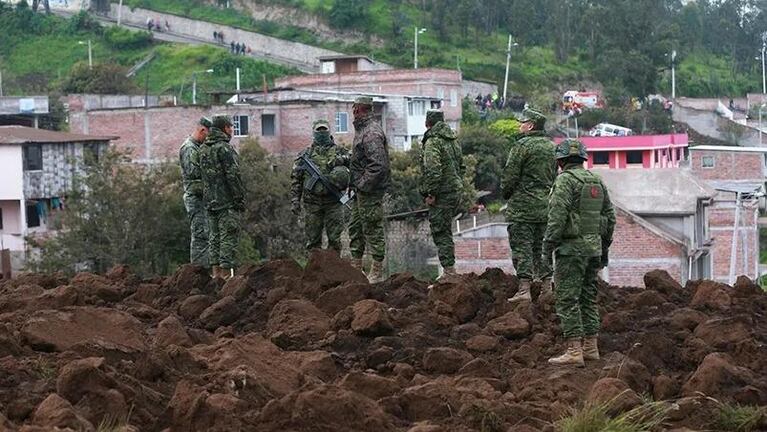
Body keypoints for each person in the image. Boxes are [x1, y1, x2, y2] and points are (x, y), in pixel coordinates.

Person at [543, 138, 615, 367]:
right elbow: (610, 219)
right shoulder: (597, 181)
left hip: (571, 251)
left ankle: (574, 350)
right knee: (587, 298)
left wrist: (548, 247)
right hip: (593, 250)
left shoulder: (565, 182)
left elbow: (557, 217)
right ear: (582, 159)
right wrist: (603, 249)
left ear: (561, 161)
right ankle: (591, 347)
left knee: (567, 299)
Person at [503, 108, 557, 304]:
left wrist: (507, 194)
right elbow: (553, 177)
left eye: (522, 122)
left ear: (531, 125)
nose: (520, 125)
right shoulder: (552, 147)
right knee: (542, 249)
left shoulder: (521, 146)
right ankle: (546, 287)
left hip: (522, 208)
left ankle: (524, 289)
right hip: (544, 207)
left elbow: (510, 178)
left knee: (522, 248)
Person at [290, 120, 350, 253]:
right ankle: (314, 270)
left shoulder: (340, 151)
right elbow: (296, 179)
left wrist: (343, 161)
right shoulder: (305, 155)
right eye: (319, 130)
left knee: (335, 241)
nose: (322, 133)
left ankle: (333, 269)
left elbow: (354, 166)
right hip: (312, 203)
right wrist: (295, 201)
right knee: (313, 242)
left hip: (334, 202)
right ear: (313, 132)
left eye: (324, 130)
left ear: (329, 132)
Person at [349, 96, 391, 283]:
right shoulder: (363, 130)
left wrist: (362, 184)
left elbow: (378, 165)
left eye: (354, 109)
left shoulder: (371, 132)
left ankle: (377, 272)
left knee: (373, 228)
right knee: (356, 227)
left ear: (359, 110)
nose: (353, 113)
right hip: (362, 190)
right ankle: (356, 268)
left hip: (370, 191)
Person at [199, 115, 245, 280]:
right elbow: (233, 176)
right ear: (224, 128)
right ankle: (226, 277)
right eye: (230, 127)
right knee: (228, 237)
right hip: (226, 202)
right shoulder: (224, 148)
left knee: (214, 238)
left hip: (210, 202)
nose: (232, 130)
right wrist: (239, 198)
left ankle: (215, 275)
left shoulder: (203, 148)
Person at [420, 110, 464, 279]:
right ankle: (449, 270)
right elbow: (461, 166)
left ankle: (449, 272)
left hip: (442, 194)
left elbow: (433, 170)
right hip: (454, 191)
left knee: (441, 231)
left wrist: (431, 193)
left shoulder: (433, 142)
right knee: (446, 230)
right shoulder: (453, 141)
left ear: (427, 124)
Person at [179, 117, 212, 268]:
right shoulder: (189, 148)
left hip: (201, 198)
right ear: (202, 130)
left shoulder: (197, 147)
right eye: (208, 135)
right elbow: (194, 174)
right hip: (195, 198)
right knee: (200, 235)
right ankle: (198, 271)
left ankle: (205, 269)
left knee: (206, 234)